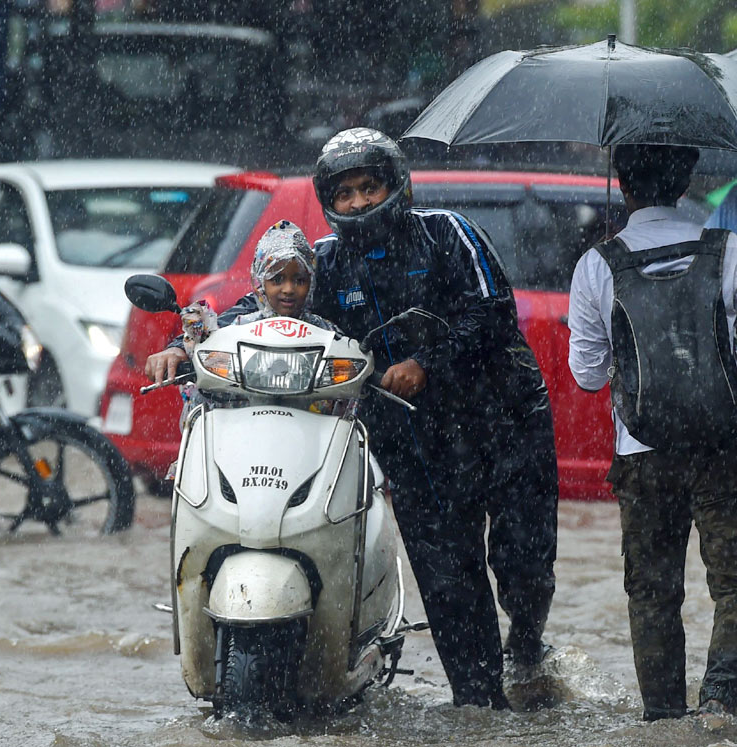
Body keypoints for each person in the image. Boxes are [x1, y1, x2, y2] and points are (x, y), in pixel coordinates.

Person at [149, 128, 559, 708]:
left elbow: (492, 315)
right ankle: (481, 710)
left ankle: (527, 643)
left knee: (522, 567)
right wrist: (183, 345)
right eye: (346, 194)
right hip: (417, 448)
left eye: (370, 187)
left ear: (397, 186)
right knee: (448, 587)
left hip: (505, 428)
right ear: (330, 203)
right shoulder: (325, 266)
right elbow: (257, 313)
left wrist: (427, 363)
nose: (360, 202)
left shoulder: (451, 234)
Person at [568, 144, 737, 721]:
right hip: (723, 448)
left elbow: (587, 376)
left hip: (642, 452)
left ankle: (663, 720)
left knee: (653, 594)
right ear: (688, 177)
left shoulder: (597, 264)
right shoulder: (730, 250)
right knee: (734, 583)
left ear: (622, 182)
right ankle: (720, 701)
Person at [172, 220, 338, 429]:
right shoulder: (240, 327)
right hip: (243, 432)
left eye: (299, 280)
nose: (288, 289)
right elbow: (208, 348)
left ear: (311, 282)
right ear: (260, 283)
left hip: (312, 434)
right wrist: (186, 348)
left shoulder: (325, 331)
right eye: (277, 279)